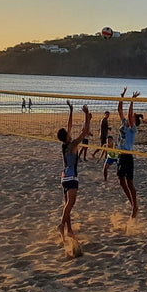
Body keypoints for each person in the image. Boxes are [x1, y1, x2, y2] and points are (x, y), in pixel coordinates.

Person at [56, 101, 93, 242]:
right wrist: (86, 116)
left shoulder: (64, 145)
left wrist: (71, 111)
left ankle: (69, 230)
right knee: (70, 204)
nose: (69, 132)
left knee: (68, 205)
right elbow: (85, 131)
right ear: (67, 137)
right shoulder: (72, 144)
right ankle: (61, 225)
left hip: (64, 177)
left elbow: (69, 126)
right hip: (71, 177)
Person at [116, 89, 141, 218]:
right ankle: (133, 203)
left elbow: (129, 112)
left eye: (133, 116)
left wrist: (132, 100)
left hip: (127, 156)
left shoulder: (132, 128)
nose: (131, 116)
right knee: (121, 181)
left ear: (135, 121)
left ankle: (134, 205)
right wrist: (122, 97)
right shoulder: (125, 124)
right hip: (121, 155)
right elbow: (120, 110)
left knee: (130, 183)